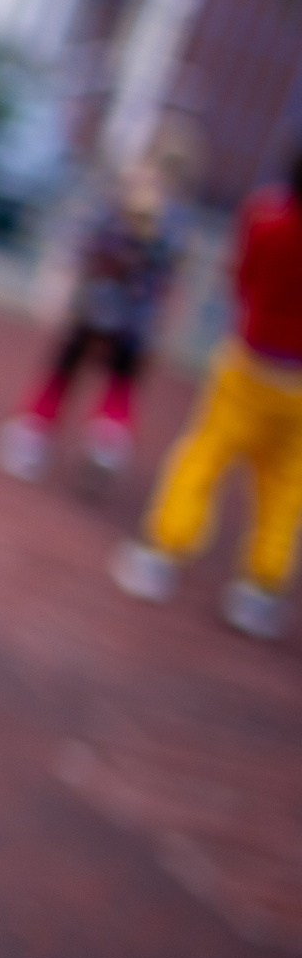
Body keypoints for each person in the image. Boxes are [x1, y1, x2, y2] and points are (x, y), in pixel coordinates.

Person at [113, 149, 302, 640]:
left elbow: (241, 279)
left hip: (252, 359)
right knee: (285, 484)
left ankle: (162, 553)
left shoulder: (266, 217)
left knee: (206, 454)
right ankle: (259, 590)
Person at [0, 158, 183, 488]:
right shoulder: (168, 233)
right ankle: (107, 440)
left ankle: (33, 436)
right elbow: (168, 287)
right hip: (134, 322)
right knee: (120, 382)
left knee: (63, 373)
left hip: (92, 310)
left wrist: (57, 292)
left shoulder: (108, 218)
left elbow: (76, 257)